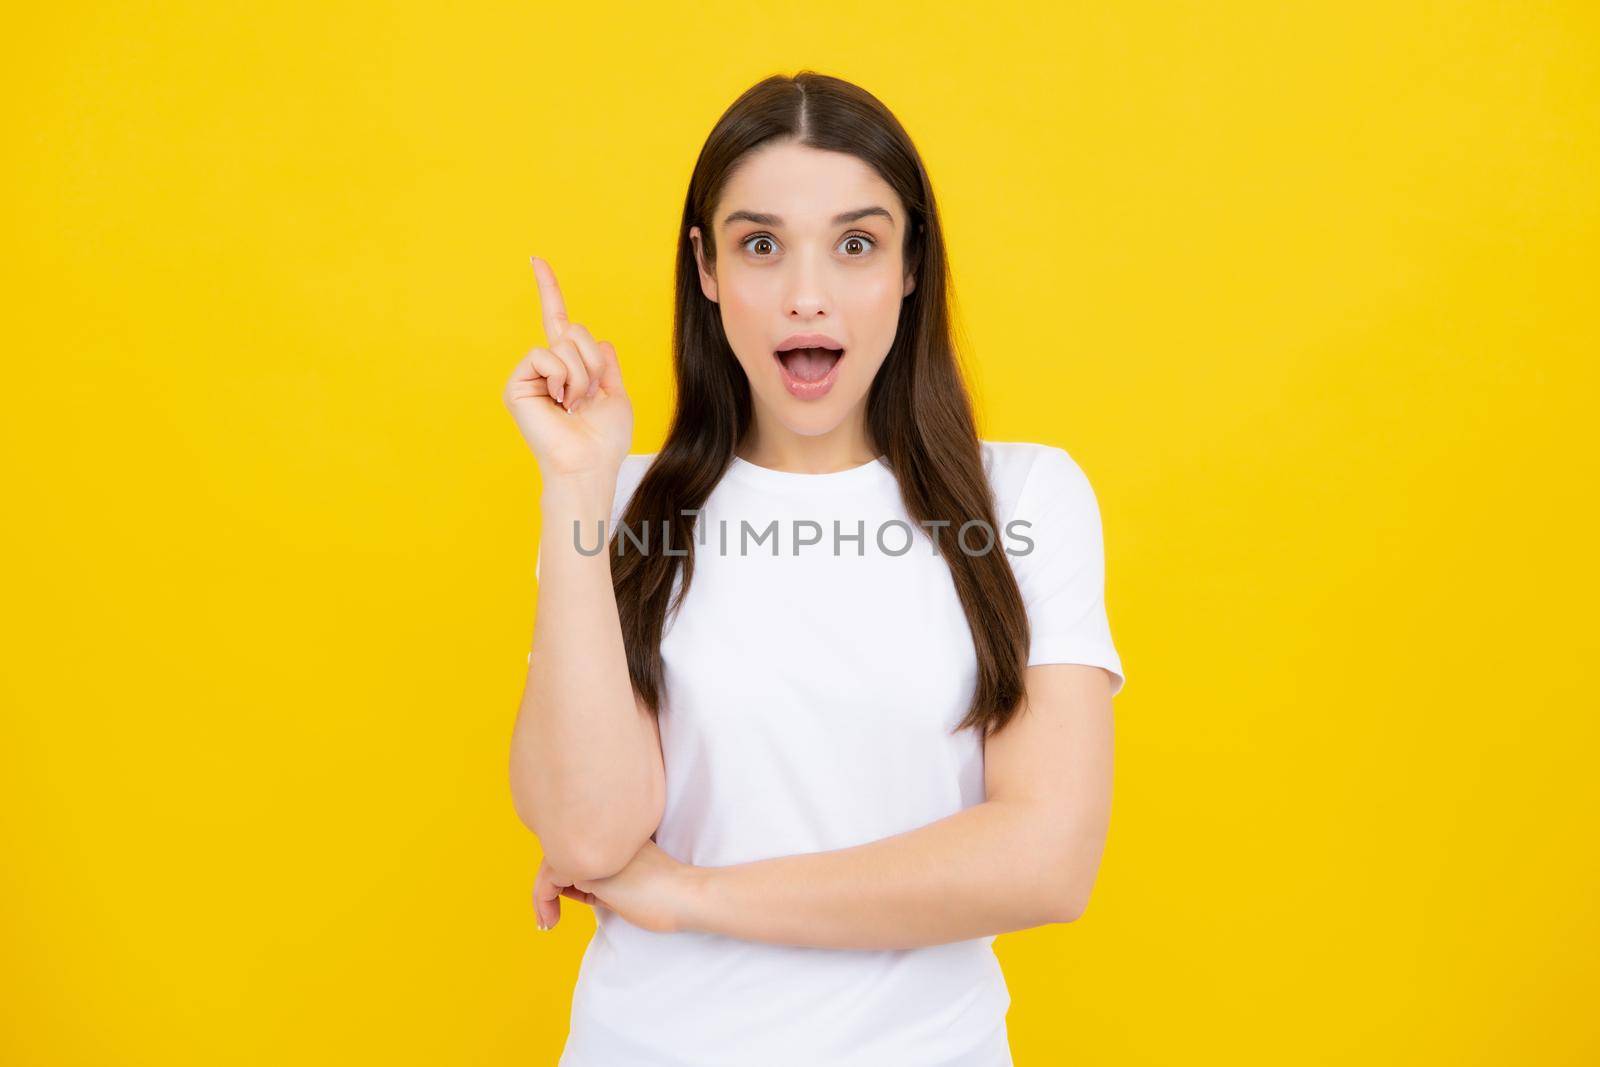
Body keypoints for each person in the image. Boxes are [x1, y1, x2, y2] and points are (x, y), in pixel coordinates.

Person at [503, 71, 1126, 1067]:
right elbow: (586, 834)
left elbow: (1045, 859)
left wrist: (688, 892)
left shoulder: (1022, 502)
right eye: (760, 244)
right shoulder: (619, 505)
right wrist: (577, 490)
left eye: (855, 243)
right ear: (704, 267)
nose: (806, 293)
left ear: (910, 264)